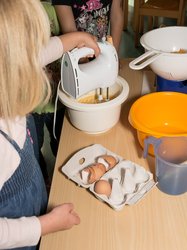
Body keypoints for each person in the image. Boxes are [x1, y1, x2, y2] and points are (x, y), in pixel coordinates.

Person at [0, 0, 100, 249]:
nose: (35, 62)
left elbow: (32, 56)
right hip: (19, 239)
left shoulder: (10, 74)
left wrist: (75, 38)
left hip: (35, 205)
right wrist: (44, 225)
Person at [52, 0, 124, 55]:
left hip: (102, 50)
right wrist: (83, 60)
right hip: (75, 55)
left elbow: (116, 14)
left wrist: (114, 54)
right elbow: (69, 30)